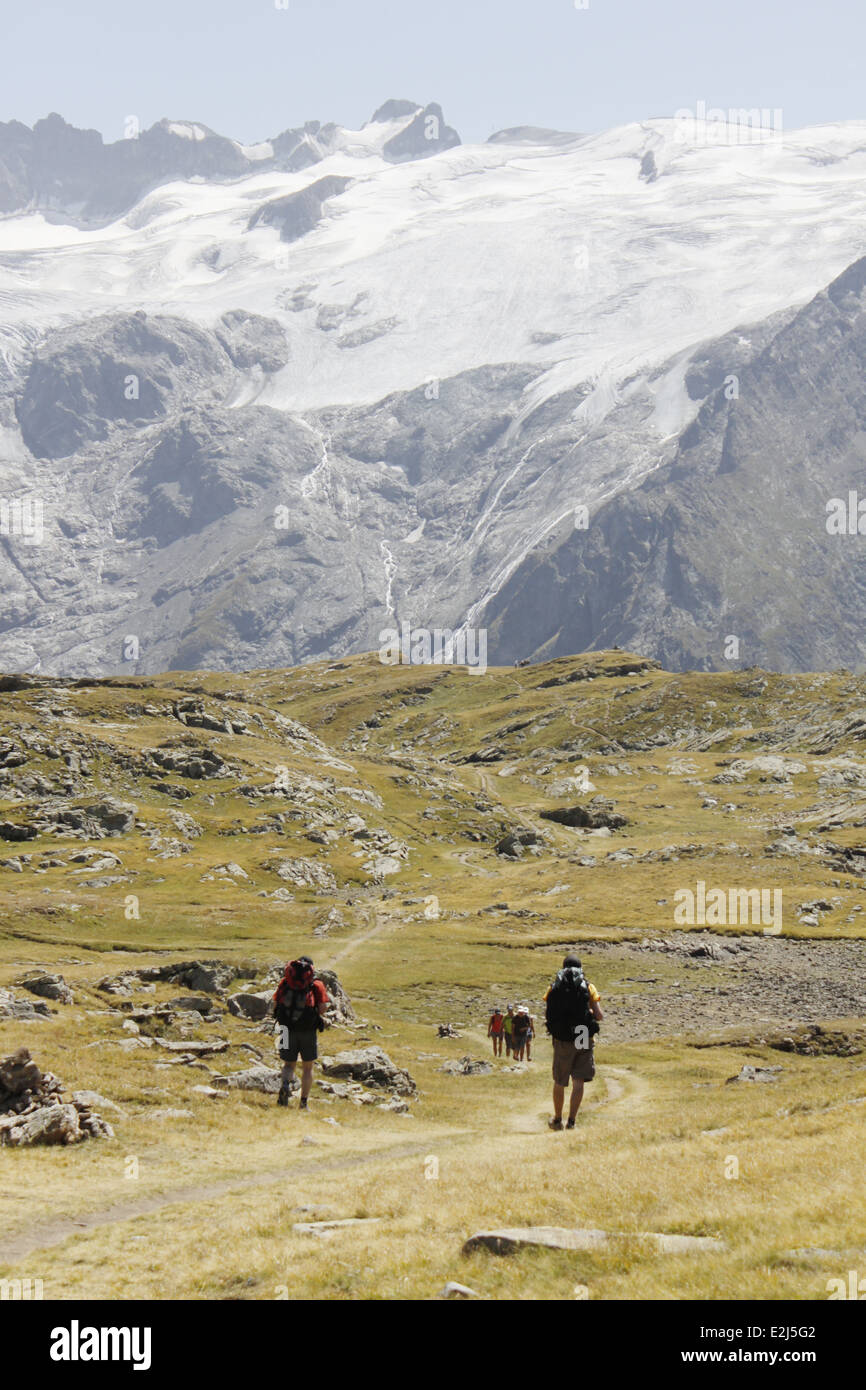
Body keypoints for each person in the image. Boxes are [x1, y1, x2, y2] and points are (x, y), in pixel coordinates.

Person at [544, 954, 603, 1131]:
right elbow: (599, 1015)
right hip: (582, 1033)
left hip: (562, 1035)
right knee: (578, 1081)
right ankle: (571, 1121)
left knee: (560, 1080)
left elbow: (549, 1013)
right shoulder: (588, 986)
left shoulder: (554, 986)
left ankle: (557, 1120)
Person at [272, 956, 329, 1109]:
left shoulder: (285, 982)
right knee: (307, 1067)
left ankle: (285, 1085)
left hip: (285, 1028)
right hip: (307, 1030)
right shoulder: (316, 985)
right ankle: (303, 1103)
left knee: (288, 1064)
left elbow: (276, 1004)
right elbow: (322, 1009)